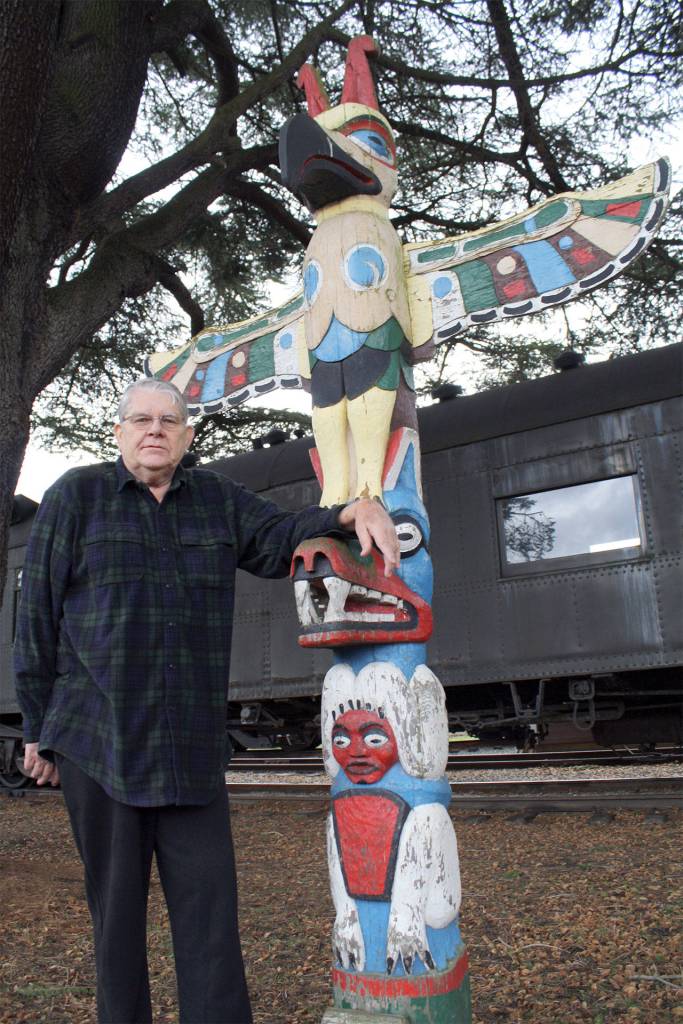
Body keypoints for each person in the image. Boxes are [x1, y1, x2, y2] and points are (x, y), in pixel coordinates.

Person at [14, 378, 400, 1024]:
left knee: (211, 919)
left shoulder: (217, 499)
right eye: (141, 419)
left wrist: (349, 512)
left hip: (189, 747)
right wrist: (36, 727)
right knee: (116, 920)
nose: (154, 430)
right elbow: (36, 615)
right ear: (119, 432)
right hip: (97, 740)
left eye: (169, 421)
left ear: (187, 436)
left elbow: (278, 536)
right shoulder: (76, 496)